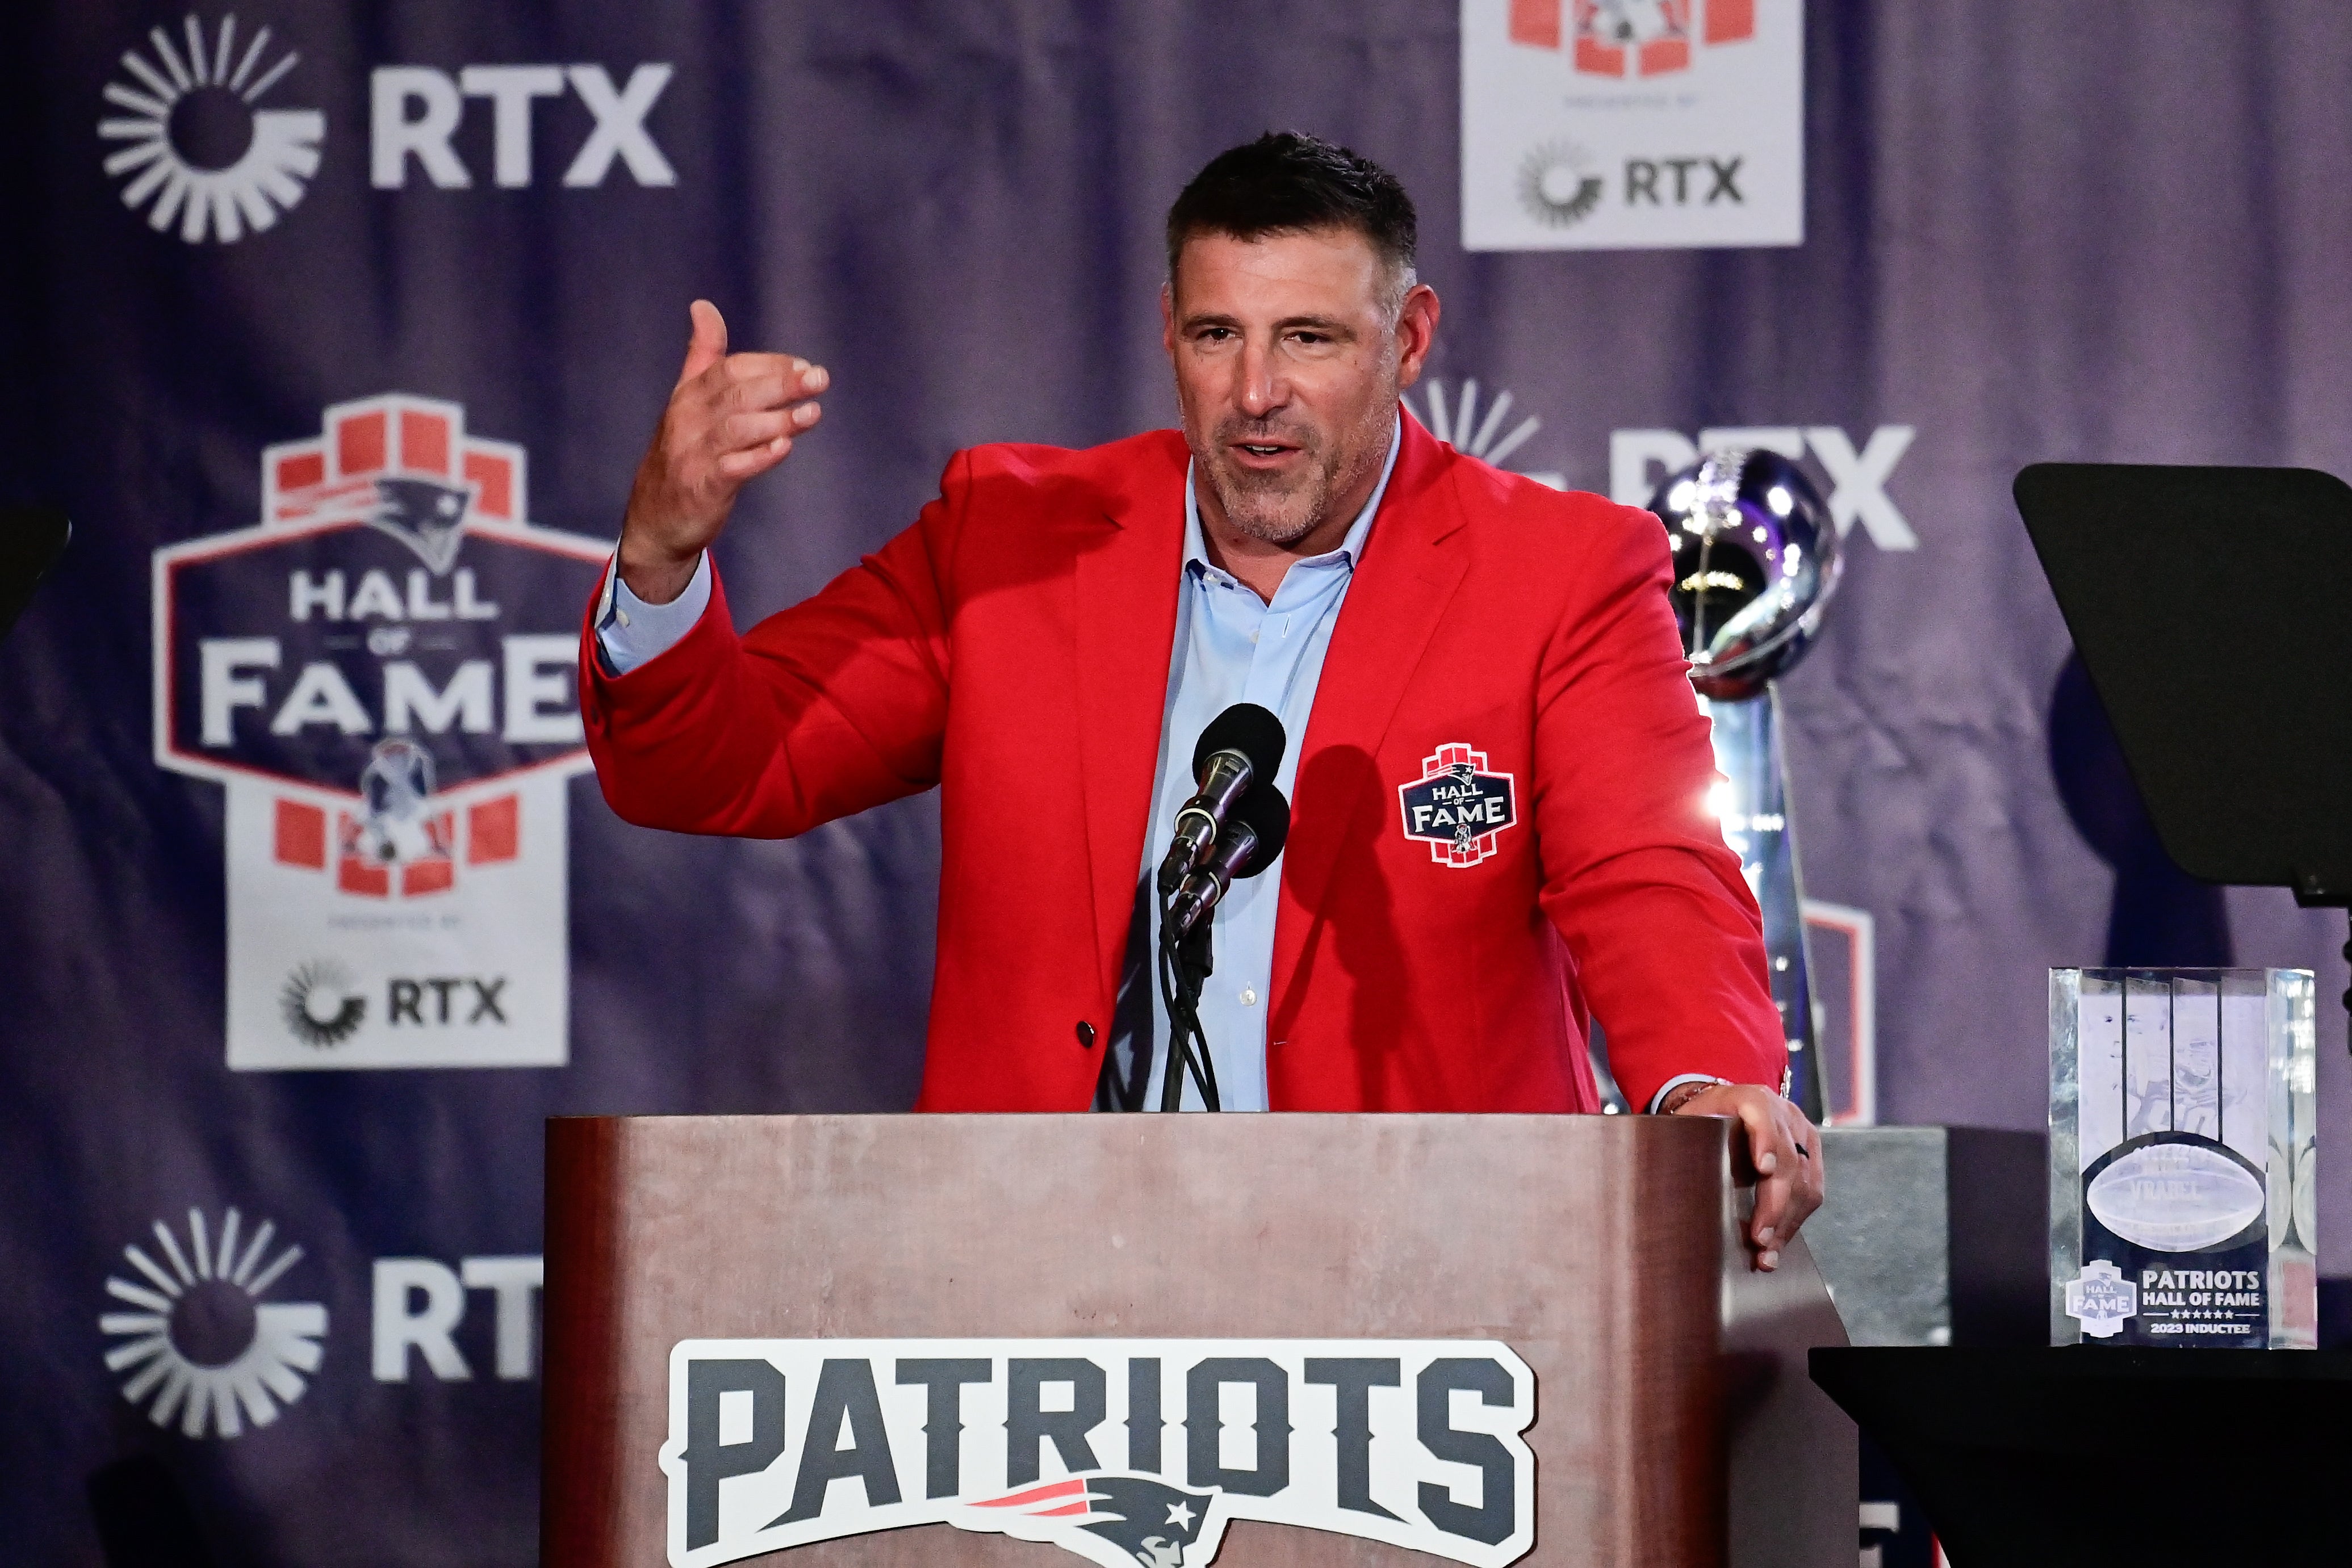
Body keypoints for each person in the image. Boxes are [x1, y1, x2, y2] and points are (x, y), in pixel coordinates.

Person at [580, 132, 1822, 1264]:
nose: (1256, 394)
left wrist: (1700, 1084)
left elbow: (1646, 865)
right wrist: (660, 556)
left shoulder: (1559, 570)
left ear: (1409, 338)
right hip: (1040, 1266)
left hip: (1431, 1265)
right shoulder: (1010, 538)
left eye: (1310, 339)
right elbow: (723, 762)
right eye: (1218, 335)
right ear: (1167, 328)